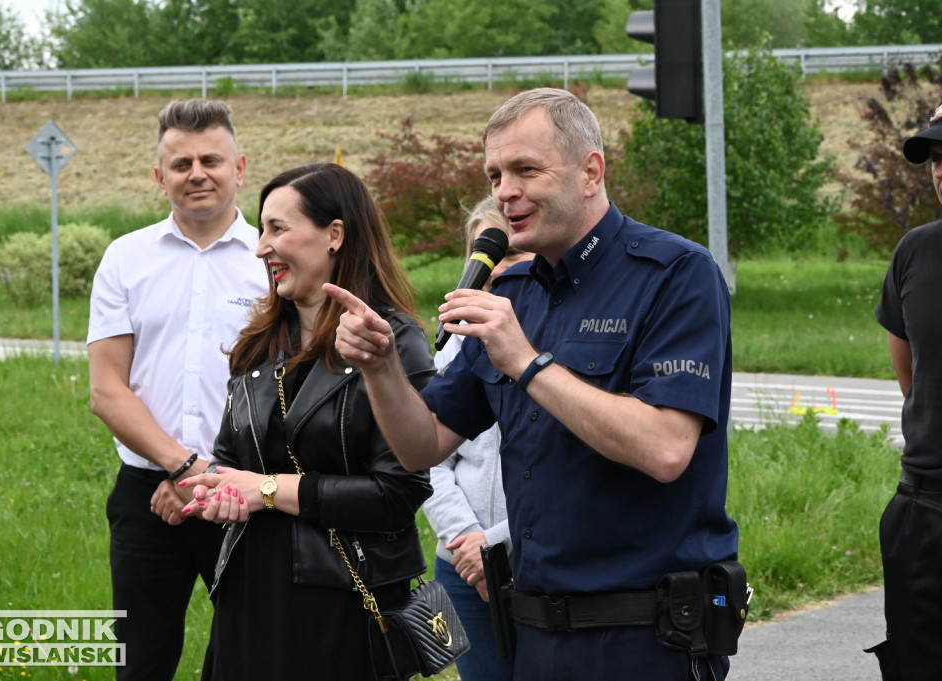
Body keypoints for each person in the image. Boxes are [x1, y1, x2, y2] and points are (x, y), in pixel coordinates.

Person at [327, 87, 739, 681]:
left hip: (645, 638)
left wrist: (528, 362)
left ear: (590, 172)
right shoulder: (511, 294)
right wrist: (380, 368)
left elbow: (666, 448)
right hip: (533, 634)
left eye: (526, 170)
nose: (504, 192)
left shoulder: (676, 274)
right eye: (495, 174)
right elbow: (422, 445)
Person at [177, 162, 436, 680]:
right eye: (260, 230)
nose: (260, 248)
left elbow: (396, 494)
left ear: (334, 235)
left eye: (278, 229)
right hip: (250, 591)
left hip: (345, 599)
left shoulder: (390, 340)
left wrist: (268, 490)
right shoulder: (258, 345)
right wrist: (218, 492)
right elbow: (232, 462)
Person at [87, 98, 268, 681]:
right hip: (149, 496)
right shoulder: (125, 258)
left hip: (250, 494)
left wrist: (213, 478)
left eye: (211, 159)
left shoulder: (274, 259)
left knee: (253, 658)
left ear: (239, 168)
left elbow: (294, 382)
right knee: (140, 662)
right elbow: (107, 389)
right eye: (181, 162)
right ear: (158, 176)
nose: (197, 173)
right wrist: (184, 468)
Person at [421, 195, 530, 681]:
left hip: (528, 558)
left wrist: (497, 544)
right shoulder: (455, 347)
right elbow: (430, 460)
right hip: (462, 565)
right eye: (481, 254)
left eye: (505, 253)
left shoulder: (558, 344)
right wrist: (466, 540)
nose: (489, 268)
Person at [869, 100, 942, 681]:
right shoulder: (915, 251)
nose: (939, 169)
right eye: (935, 159)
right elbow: (910, 376)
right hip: (924, 510)